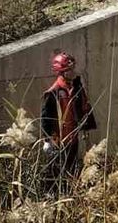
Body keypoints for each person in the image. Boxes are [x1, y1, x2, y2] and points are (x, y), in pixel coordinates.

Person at [40, 51, 97, 186]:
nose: (73, 72)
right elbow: (45, 117)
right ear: (62, 72)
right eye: (69, 70)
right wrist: (47, 140)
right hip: (58, 140)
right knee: (56, 172)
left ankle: (69, 195)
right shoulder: (53, 92)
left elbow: (84, 106)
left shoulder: (76, 87)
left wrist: (86, 126)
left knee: (71, 168)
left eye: (72, 69)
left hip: (73, 137)